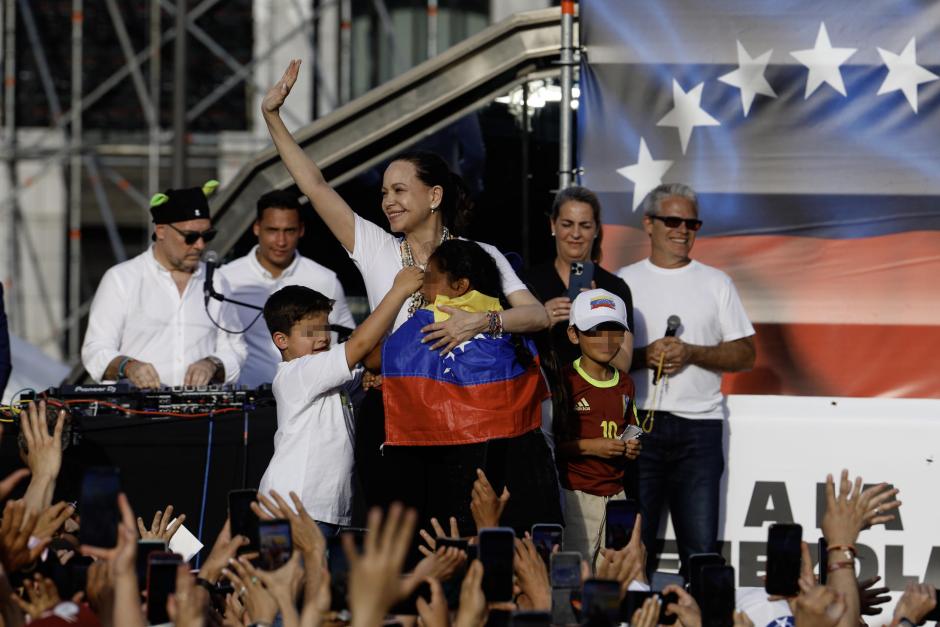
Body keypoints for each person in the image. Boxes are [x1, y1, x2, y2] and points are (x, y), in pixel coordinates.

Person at [261, 59, 548, 511]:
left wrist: (480, 321)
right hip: (394, 415)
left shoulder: (480, 254)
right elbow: (315, 186)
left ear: (434, 196)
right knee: (399, 537)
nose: (387, 202)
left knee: (460, 530)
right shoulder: (378, 249)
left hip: (466, 416)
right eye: (383, 193)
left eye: (399, 191)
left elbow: (538, 315)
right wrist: (272, 117)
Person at [616, 183, 756, 575]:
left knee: (701, 552)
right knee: (632, 549)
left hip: (700, 427)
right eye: (672, 221)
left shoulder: (717, 282)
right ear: (649, 224)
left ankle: (698, 607)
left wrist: (691, 352)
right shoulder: (623, 282)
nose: (682, 230)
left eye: (691, 224)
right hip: (636, 424)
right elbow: (603, 358)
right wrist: (645, 356)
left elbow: (746, 355)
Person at [377, 239, 561, 535]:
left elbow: (371, 355)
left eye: (430, 277)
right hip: (522, 505)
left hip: (447, 514)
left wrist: (397, 292)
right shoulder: (519, 337)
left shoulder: (421, 330)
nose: (423, 286)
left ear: (460, 285)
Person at [257, 266, 422, 536]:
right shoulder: (297, 373)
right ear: (281, 340)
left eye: (326, 329)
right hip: (293, 509)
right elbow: (360, 345)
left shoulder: (327, 376)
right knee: (283, 566)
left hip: (318, 511)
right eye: (311, 332)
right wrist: (399, 292)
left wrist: (370, 376)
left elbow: (367, 368)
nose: (323, 337)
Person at [81, 181, 247, 387]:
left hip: (200, 406)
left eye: (207, 236)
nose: (200, 245)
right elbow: (95, 350)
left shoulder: (217, 280)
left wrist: (213, 364)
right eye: (190, 237)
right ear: (161, 231)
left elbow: (235, 347)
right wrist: (128, 366)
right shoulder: (121, 278)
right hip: (137, 405)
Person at [218, 189, 355, 387]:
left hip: (312, 394)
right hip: (248, 398)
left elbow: (347, 341)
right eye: (272, 230)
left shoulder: (325, 279)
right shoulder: (226, 279)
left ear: (301, 230)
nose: (281, 241)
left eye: (289, 231)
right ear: (256, 228)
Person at [553, 288, 641, 568]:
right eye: (594, 330)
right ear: (573, 334)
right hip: (576, 496)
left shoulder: (625, 382)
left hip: (617, 495)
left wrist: (632, 445)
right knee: (572, 577)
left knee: (615, 574)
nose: (606, 339)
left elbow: (632, 426)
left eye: (614, 331)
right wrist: (592, 447)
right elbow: (551, 446)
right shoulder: (563, 381)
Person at [526, 186, 634, 370]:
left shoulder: (614, 287)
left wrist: (599, 318)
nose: (575, 234)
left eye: (585, 226)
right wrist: (540, 321)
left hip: (593, 388)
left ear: (596, 229)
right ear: (553, 225)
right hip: (544, 386)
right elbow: (510, 354)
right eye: (567, 224)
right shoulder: (528, 281)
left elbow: (623, 365)